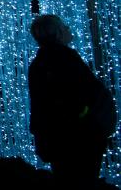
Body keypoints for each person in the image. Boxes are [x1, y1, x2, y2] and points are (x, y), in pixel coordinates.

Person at [27, 14, 116, 187]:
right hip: (79, 139)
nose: (69, 29)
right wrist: (90, 120)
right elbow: (82, 94)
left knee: (65, 179)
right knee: (82, 179)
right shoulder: (65, 59)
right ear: (58, 33)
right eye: (65, 26)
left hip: (56, 139)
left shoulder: (38, 63)